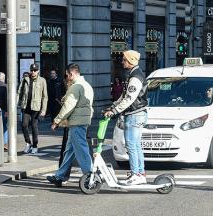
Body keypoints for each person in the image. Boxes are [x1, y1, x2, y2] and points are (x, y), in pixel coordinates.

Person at [104, 50, 148, 185]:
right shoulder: (133, 75)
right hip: (137, 113)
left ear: (131, 61)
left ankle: (136, 174)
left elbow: (129, 98)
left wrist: (114, 111)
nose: (122, 62)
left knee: (131, 145)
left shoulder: (135, 77)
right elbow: (124, 96)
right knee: (136, 145)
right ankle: (140, 173)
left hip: (134, 114)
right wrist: (113, 106)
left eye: (124, 59)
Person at [47, 63, 94, 187]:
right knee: (69, 151)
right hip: (82, 122)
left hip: (76, 123)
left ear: (71, 74)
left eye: (67, 75)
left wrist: (56, 121)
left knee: (82, 151)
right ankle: (60, 176)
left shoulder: (75, 87)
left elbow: (68, 107)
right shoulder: (87, 85)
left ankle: (90, 176)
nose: (66, 78)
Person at [17, 64, 48, 154]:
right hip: (26, 106)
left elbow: (45, 97)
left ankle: (35, 145)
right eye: (32, 70)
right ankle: (28, 143)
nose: (33, 72)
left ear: (38, 71)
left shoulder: (42, 81)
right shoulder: (25, 79)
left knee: (34, 126)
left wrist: (44, 110)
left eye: (35, 70)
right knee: (24, 125)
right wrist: (15, 104)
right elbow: (19, 92)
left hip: (36, 107)